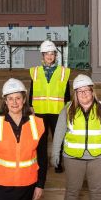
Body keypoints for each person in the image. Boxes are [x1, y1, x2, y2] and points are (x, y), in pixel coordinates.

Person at [28, 40, 71, 173]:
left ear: (55, 56)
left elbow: (67, 93)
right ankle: (42, 162)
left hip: (57, 110)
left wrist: (67, 108)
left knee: (58, 138)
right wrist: (30, 106)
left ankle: (57, 162)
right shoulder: (34, 71)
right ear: (42, 56)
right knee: (41, 138)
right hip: (39, 110)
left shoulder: (64, 72)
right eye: (46, 54)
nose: (49, 56)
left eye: (52, 54)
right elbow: (32, 90)